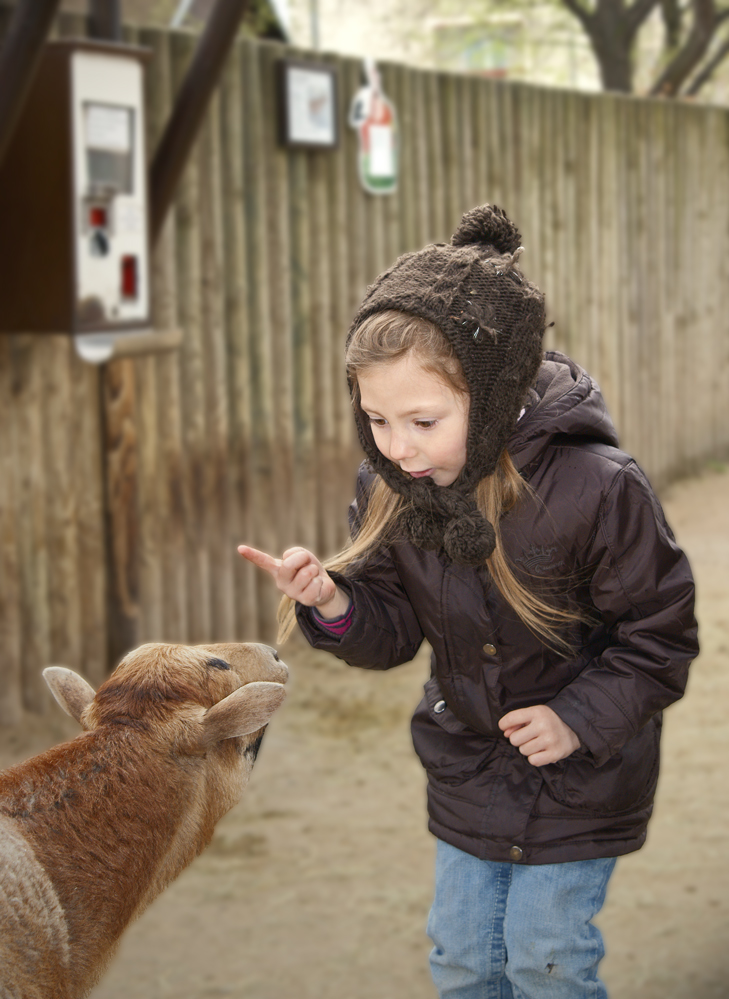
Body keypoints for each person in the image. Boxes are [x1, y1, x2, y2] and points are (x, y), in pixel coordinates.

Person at [238, 204, 698, 999]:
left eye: (421, 420)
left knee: (543, 958)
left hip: (578, 779)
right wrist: (332, 602)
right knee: (461, 961)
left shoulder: (597, 487)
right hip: (466, 771)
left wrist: (576, 718)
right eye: (375, 419)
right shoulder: (390, 487)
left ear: (489, 397)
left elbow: (660, 635)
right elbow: (390, 630)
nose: (396, 446)